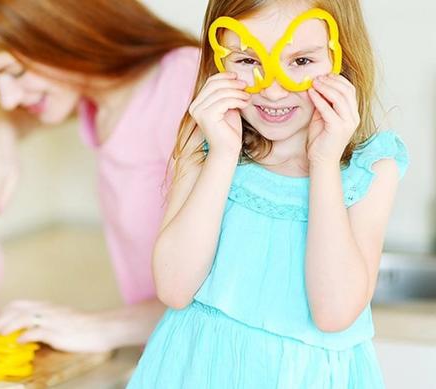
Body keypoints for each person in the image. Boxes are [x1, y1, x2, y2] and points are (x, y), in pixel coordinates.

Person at [128, 0, 408, 387]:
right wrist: (223, 155)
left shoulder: (371, 170)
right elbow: (174, 289)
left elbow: (334, 313)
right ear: (218, 61)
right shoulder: (203, 145)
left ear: (340, 59)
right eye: (247, 60)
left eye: (302, 62)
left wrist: (323, 162)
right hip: (197, 368)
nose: (273, 90)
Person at [0, 0, 200, 352]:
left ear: (64, 27)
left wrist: (102, 328)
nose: (6, 97)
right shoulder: (96, 100)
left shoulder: (180, 84)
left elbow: (232, 288)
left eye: (14, 72)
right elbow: (15, 113)